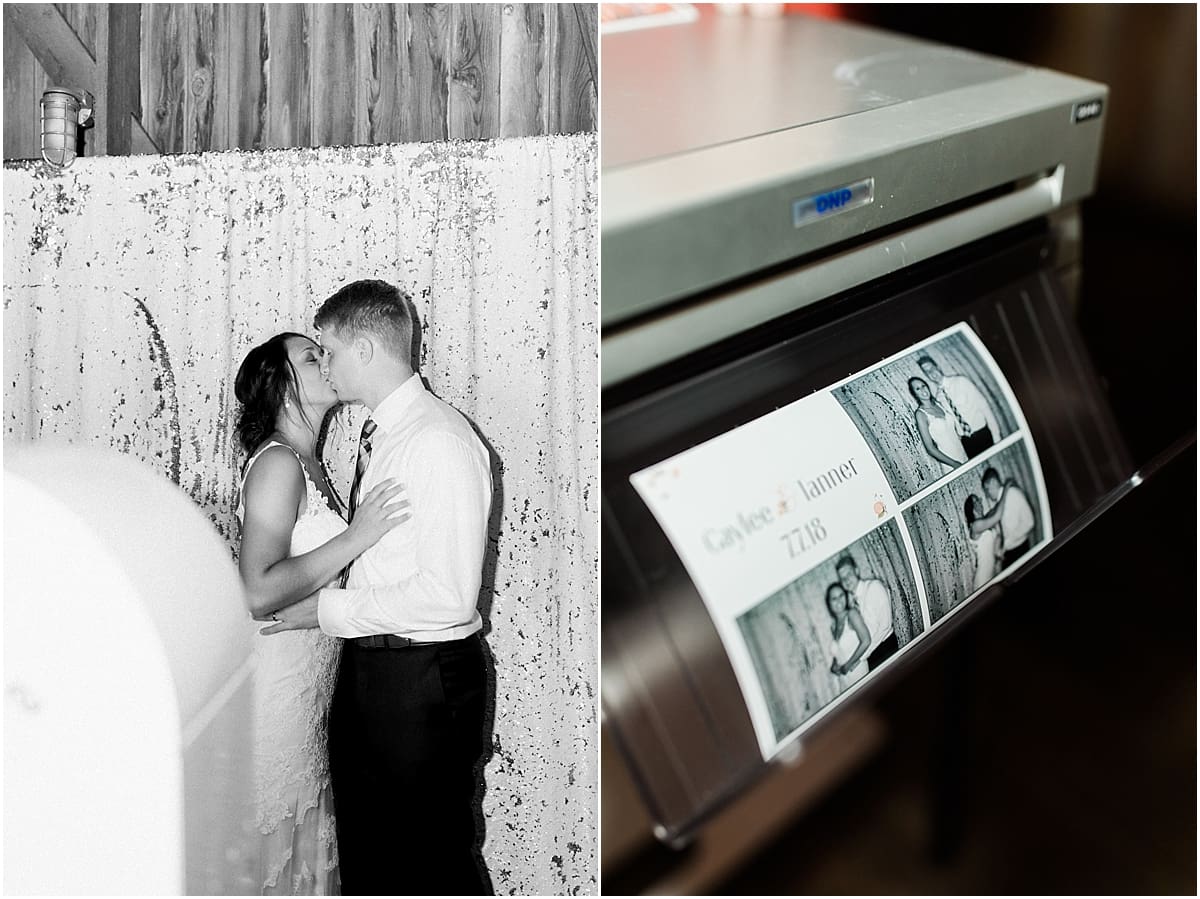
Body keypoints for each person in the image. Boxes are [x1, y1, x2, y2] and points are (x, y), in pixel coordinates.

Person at [263, 281, 494, 895]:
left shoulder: (436, 440)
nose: (327, 367)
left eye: (330, 352)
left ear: (364, 348)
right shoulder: (383, 434)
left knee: (429, 865)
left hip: (421, 681)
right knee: (377, 865)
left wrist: (325, 611)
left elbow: (448, 596)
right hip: (381, 674)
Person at [234, 332, 406, 895]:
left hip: (309, 686)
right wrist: (358, 536)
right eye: (313, 357)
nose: (326, 362)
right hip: (277, 687)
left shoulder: (311, 462)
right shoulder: (278, 465)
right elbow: (257, 591)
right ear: (281, 384)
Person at [918, 355, 1001, 458]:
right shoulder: (938, 398)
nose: (932, 373)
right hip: (967, 443)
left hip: (983, 434)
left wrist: (996, 436)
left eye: (932, 368)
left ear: (938, 367)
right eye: (927, 372)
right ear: (927, 376)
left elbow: (984, 406)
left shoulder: (961, 381)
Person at [835, 554, 896, 671]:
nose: (846, 580)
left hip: (886, 647)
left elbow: (886, 625)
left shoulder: (874, 587)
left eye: (849, 574)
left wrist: (862, 656)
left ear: (856, 571)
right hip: (872, 655)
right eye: (842, 578)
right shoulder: (851, 603)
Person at [969, 466, 1036, 568]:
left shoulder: (1012, 493)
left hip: (1019, 549)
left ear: (993, 482)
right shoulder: (1002, 501)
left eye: (987, 489)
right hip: (1010, 551)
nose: (987, 495)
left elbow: (1029, 522)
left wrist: (1007, 543)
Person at [908, 376, 967, 474]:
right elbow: (930, 448)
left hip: (963, 453)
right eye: (918, 388)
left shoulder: (938, 404)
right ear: (915, 394)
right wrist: (954, 464)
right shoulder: (920, 414)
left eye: (923, 385)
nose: (923, 389)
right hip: (950, 462)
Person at [825, 582, 871, 689]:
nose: (839, 600)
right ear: (829, 604)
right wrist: (834, 665)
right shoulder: (833, 626)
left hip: (857, 672)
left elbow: (866, 641)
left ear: (845, 596)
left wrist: (848, 665)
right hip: (844, 678)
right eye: (834, 598)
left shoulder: (852, 614)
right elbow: (840, 651)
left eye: (841, 595)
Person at [963, 493, 1003, 591]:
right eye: (977, 500)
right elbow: (997, 516)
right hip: (982, 580)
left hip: (993, 573)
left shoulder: (985, 520)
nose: (980, 502)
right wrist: (1006, 489)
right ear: (972, 508)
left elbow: (997, 509)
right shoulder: (975, 526)